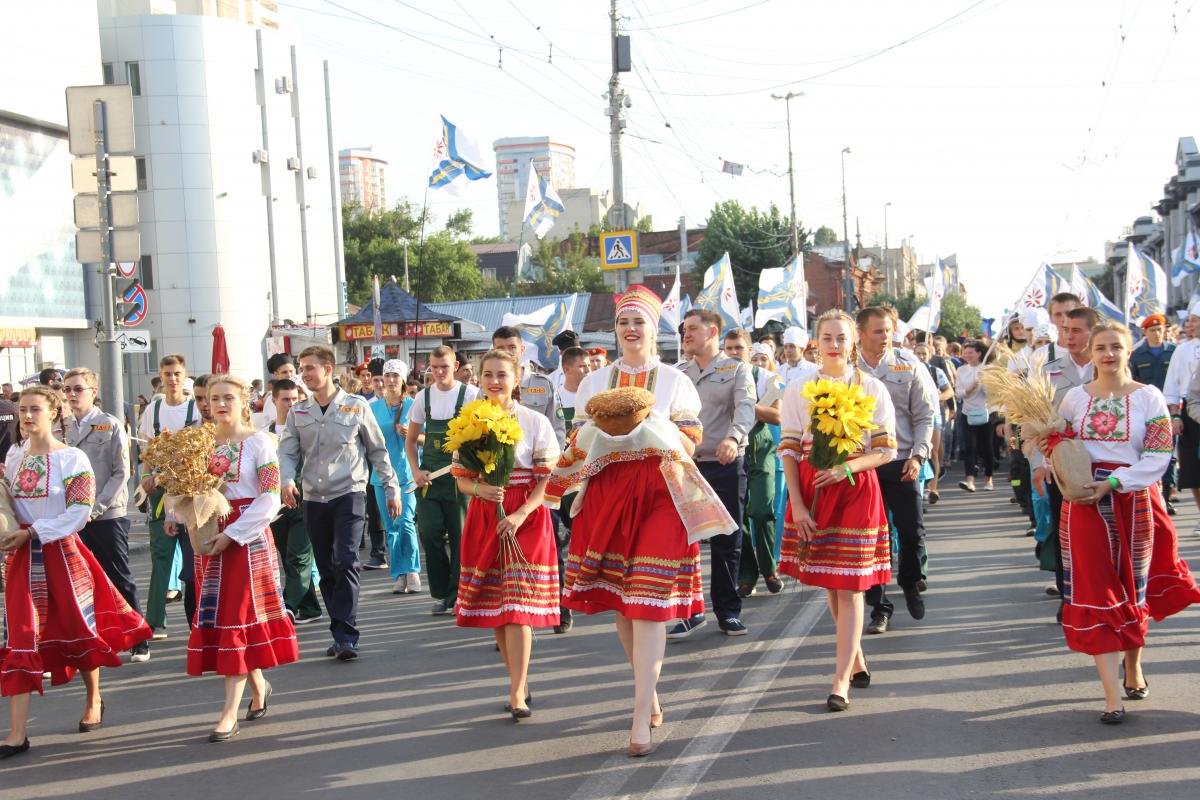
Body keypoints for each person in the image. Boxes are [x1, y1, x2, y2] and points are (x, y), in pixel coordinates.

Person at [551, 284, 708, 756]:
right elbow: (579, 441)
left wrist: (649, 429)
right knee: (623, 601)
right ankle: (649, 689)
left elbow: (692, 440)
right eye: (623, 322)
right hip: (609, 491)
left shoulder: (675, 381)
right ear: (615, 329)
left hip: (662, 490)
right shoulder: (596, 384)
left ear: (654, 328)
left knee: (647, 598)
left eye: (639, 321)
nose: (631, 329)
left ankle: (640, 717)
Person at [1045, 322, 1200, 724]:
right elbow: (1058, 448)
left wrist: (1115, 481)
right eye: (1101, 347)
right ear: (1091, 353)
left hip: (1135, 501)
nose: (1108, 354)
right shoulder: (1074, 400)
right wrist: (1056, 462)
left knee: (1134, 586)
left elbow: (1159, 456)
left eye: (1116, 346)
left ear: (1129, 350)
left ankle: (1133, 666)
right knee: (1098, 589)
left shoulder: (1149, 397)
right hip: (1084, 503)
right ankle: (1111, 696)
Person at [0, 386, 152, 759]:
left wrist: (36, 531)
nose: (28, 416)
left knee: (78, 629)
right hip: (22, 558)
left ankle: (94, 697)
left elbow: (79, 513)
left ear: (54, 413)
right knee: (21, 635)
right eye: (23, 410)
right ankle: (17, 734)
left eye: (35, 409)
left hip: (62, 555)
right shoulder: (15, 455)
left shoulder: (73, 459)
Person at [779, 310, 897, 712]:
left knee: (850, 586)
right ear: (816, 341)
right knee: (832, 582)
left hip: (856, 489)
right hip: (814, 490)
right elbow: (791, 449)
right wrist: (796, 502)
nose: (834, 344)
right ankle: (857, 658)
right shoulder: (798, 388)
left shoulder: (872, 387)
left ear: (852, 343)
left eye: (841, 338)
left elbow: (885, 449)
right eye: (827, 337)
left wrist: (848, 466)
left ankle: (840, 679)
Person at [187, 375, 297, 742]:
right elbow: (188, 490)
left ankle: (228, 712)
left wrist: (232, 535)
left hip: (246, 539)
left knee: (236, 615)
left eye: (228, 398)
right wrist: (182, 514)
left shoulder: (260, 443)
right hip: (209, 535)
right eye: (213, 398)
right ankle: (259, 685)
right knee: (227, 618)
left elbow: (269, 498)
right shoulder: (200, 443)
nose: (219, 404)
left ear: (244, 401)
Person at [453, 349, 560, 720]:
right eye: (487, 375)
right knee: (498, 607)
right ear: (478, 379)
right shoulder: (469, 420)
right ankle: (519, 678)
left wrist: (521, 513)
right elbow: (463, 480)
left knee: (517, 609)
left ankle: (516, 692)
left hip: (525, 516)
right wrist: (480, 491)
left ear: (517, 380)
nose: (494, 381)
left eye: (502, 374)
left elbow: (547, 478)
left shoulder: (534, 422)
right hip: (487, 513)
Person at [278, 345, 401, 660]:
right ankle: (339, 628)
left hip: (349, 493)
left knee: (345, 559)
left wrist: (391, 488)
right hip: (313, 498)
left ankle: (347, 635)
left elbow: (377, 450)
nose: (304, 373)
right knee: (326, 566)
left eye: (310, 367)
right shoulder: (299, 411)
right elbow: (289, 451)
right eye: (301, 367)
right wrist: (286, 480)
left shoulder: (355, 406)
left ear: (328, 369)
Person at [677, 310, 756, 637]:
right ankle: (689, 610)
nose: (686, 334)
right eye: (684, 329)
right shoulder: (678, 372)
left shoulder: (737, 369)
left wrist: (733, 437)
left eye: (693, 329)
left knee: (726, 538)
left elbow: (746, 408)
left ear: (712, 332)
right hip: (685, 466)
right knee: (682, 540)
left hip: (724, 462)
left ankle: (727, 610)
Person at [858, 308, 936, 635]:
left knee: (911, 532)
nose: (885, 336)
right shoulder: (848, 370)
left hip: (902, 462)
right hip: (864, 466)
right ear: (861, 334)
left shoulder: (908, 364)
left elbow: (924, 417)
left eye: (888, 330)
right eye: (877, 331)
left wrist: (919, 456)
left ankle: (910, 580)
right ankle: (879, 606)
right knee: (872, 539)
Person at [62, 368, 148, 663]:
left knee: (119, 576)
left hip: (107, 514)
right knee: (81, 580)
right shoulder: (62, 428)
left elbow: (122, 472)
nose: (72, 395)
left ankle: (139, 638)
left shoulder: (109, 425)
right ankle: (98, 638)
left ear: (93, 391)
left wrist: (94, 508)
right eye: (68, 389)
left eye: (78, 389)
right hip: (71, 517)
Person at [1032, 305, 1099, 614]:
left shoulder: (1109, 366)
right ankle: (1068, 597)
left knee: (1103, 534)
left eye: (1076, 330)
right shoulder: (1050, 371)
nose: (1068, 336)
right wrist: (1038, 464)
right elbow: (1035, 421)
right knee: (1066, 534)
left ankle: (1103, 594)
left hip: (1105, 465)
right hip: (1064, 466)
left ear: (1092, 331)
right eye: (1064, 330)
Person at [407, 346, 479, 615]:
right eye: (434, 367)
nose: (438, 372)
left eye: (444, 367)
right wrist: (415, 470)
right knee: (428, 532)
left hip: (461, 479)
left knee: (461, 537)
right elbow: (411, 441)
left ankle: (456, 595)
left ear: (455, 366)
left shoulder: (470, 395)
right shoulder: (423, 397)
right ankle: (441, 590)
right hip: (430, 479)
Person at [138, 354, 202, 637]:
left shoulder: (196, 408)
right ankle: (154, 622)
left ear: (184, 375)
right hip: (161, 490)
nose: (172, 379)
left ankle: (199, 619)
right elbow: (146, 451)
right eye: (167, 373)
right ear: (161, 377)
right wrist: (145, 476)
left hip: (190, 488)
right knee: (161, 554)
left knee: (193, 559)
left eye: (177, 373)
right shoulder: (152, 410)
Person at [728, 338, 786, 598]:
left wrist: (749, 406)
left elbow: (777, 416)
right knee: (737, 517)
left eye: (739, 348)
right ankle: (747, 576)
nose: (734, 353)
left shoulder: (763, 376)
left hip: (760, 448)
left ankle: (769, 568)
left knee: (761, 510)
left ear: (749, 351)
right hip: (730, 448)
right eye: (729, 348)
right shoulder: (719, 377)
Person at [266, 379, 323, 624]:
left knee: (298, 556)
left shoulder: (308, 428)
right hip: (275, 505)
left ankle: (286, 607)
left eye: (295, 399)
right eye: (286, 399)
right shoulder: (264, 433)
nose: (291, 404)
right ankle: (310, 608)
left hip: (305, 499)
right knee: (288, 556)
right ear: (274, 400)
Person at [369, 360, 421, 595]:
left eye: (395, 376)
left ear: (403, 379)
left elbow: (426, 438)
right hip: (381, 476)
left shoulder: (414, 405)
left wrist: (411, 435)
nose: (390, 380)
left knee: (406, 522)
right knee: (391, 526)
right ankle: (398, 573)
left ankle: (412, 570)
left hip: (407, 473)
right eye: (387, 375)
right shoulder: (372, 408)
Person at [551, 346, 592, 633]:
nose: (588, 371)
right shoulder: (553, 397)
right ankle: (562, 608)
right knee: (555, 547)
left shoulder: (594, 397)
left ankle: (590, 590)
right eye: (582, 366)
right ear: (566, 368)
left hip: (584, 480)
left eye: (590, 366)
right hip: (556, 481)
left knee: (584, 538)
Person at [1131, 313, 1178, 514]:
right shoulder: (1138, 355)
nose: (1157, 333)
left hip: (1170, 408)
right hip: (1147, 410)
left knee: (1168, 453)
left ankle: (1165, 497)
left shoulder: (1174, 352)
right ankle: (1153, 494)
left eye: (1159, 329)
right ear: (1145, 332)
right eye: (1152, 330)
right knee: (1148, 451)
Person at [491, 326, 566, 445]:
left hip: (538, 457)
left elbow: (557, 427)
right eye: (500, 348)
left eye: (512, 347)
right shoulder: (488, 387)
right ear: (493, 351)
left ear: (522, 349)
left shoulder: (543, 384)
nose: (507, 352)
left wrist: (554, 460)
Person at [913, 341, 953, 506]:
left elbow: (949, 391)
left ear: (930, 355)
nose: (921, 356)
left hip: (934, 415)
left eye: (924, 353)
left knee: (934, 452)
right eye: (918, 353)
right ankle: (920, 486)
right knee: (918, 451)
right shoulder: (911, 370)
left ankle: (933, 488)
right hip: (915, 416)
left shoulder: (936, 372)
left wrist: (939, 397)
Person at [956, 341, 995, 493]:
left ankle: (988, 478)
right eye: (965, 353)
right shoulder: (961, 370)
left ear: (979, 353)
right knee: (970, 447)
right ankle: (970, 480)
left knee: (987, 448)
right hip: (967, 413)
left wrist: (984, 382)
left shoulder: (988, 369)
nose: (967, 355)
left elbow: (991, 393)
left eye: (970, 352)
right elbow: (958, 393)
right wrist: (969, 389)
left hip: (986, 413)